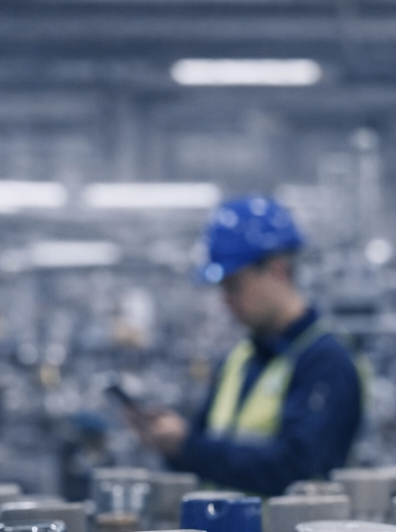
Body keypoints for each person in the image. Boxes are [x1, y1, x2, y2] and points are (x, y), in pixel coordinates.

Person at [129, 196, 362, 495]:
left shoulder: (327, 360)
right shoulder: (240, 359)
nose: (225, 300)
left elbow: (298, 469)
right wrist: (172, 443)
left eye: (234, 285)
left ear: (277, 270)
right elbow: (208, 452)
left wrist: (188, 446)